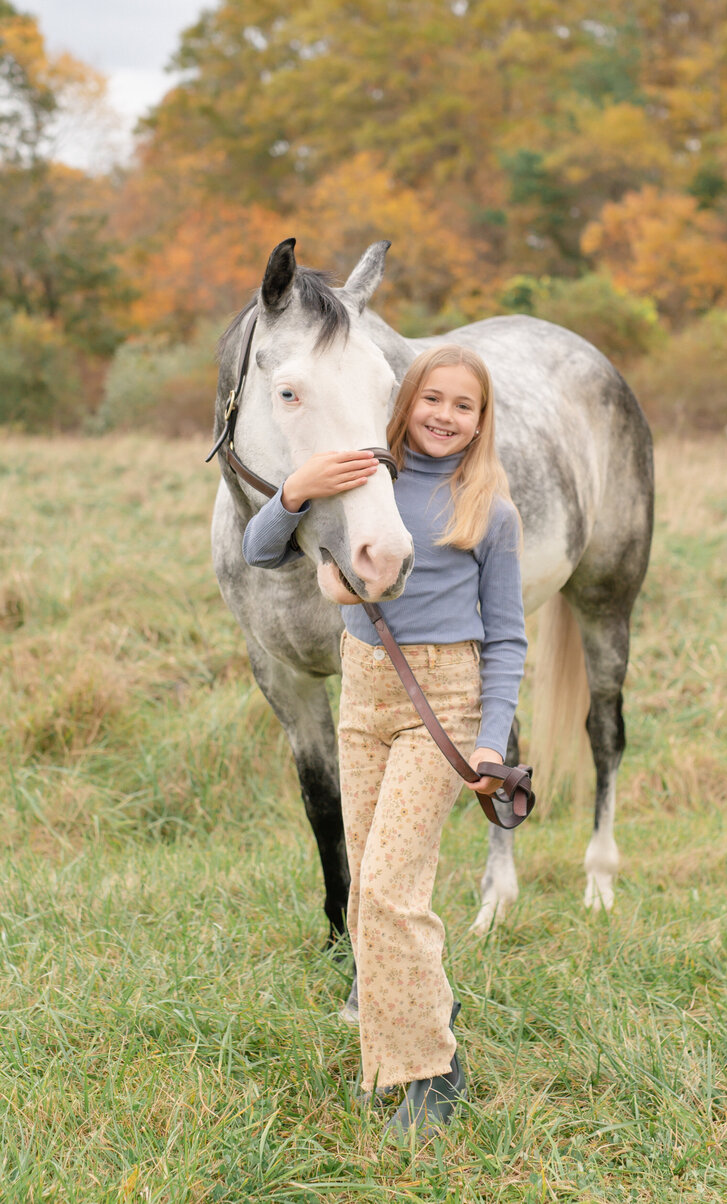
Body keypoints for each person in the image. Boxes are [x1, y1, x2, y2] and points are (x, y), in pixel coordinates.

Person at [241, 344, 527, 1138]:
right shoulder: (370, 481)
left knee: (392, 889)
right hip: (363, 690)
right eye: (431, 399)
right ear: (405, 404)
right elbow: (258, 552)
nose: (443, 415)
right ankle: (407, 1031)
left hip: (446, 695)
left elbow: (507, 638)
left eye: (462, 406)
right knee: (369, 890)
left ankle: (433, 1071)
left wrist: (491, 744)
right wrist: (297, 490)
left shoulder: (489, 509)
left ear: (481, 420)